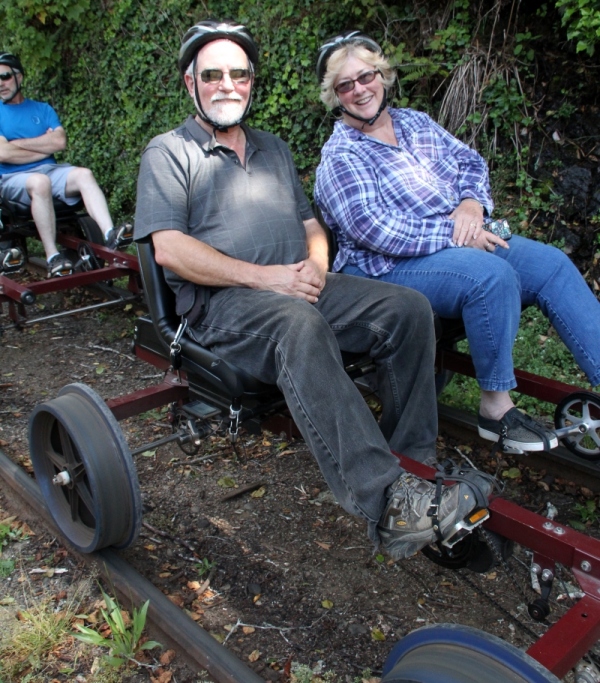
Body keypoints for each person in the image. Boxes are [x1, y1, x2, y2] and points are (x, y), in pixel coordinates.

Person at [133, 20, 493, 561]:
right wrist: (269, 279)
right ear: (192, 84)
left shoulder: (273, 149)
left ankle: (413, 468)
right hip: (224, 305)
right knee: (299, 325)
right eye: (213, 75)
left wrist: (315, 270)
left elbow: (310, 226)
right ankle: (386, 499)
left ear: (251, 82)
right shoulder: (168, 152)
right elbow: (170, 251)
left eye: (239, 74)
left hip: (298, 285)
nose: (227, 84)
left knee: (407, 309)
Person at [314, 31, 600, 454]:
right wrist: (456, 235)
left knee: (550, 264)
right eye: (346, 85)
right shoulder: (341, 156)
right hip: (384, 265)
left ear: (382, 75)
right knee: (490, 276)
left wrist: (470, 206)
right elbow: (374, 228)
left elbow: (469, 162)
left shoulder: (414, 122)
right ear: (334, 96)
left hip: (459, 237)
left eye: (365, 76)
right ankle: (495, 410)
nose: (360, 90)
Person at [0, 52, 133, 277]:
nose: (1, 83)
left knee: (84, 174)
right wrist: (43, 144)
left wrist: (17, 145)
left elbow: (59, 142)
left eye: (5, 76)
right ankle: (53, 257)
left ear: (19, 77)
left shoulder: (42, 109)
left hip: (51, 170)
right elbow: (3, 153)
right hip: (12, 179)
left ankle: (110, 234)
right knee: (40, 182)